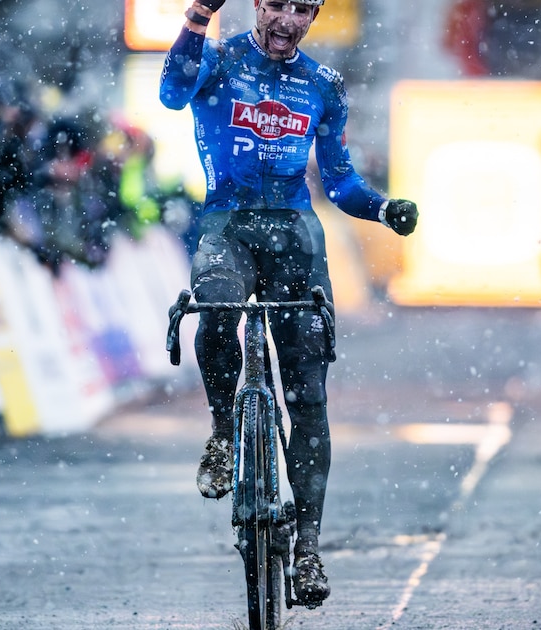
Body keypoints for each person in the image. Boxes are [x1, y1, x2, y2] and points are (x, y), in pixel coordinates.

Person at [159, 0, 419, 609]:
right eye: (277, 5)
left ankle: (306, 548)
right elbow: (173, 93)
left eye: (303, 9)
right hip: (226, 225)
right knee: (217, 309)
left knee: (307, 392)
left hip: (295, 235)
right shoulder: (219, 62)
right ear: (256, 5)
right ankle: (225, 433)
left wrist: (381, 208)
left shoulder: (322, 85)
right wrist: (198, 14)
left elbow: (339, 181)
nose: (288, 20)